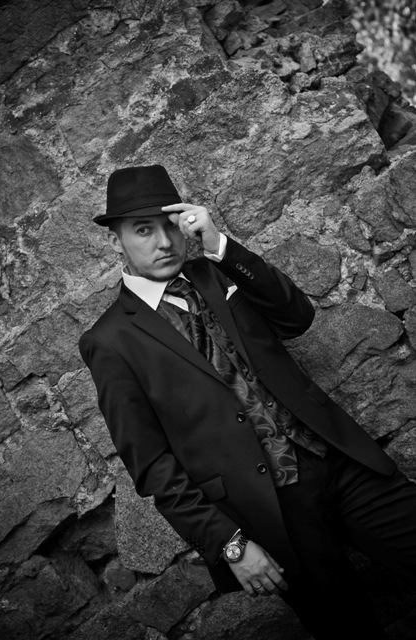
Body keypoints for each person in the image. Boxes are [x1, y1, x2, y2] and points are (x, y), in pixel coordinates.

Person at [79, 164, 416, 640]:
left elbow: (296, 317)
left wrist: (220, 244)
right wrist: (229, 544)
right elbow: (153, 467)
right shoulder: (110, 341)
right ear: (117, 241)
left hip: (340, 462)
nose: (165, 242)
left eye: (170, 225)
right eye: (143, 230)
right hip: (270, 513)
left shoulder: (218, 271)